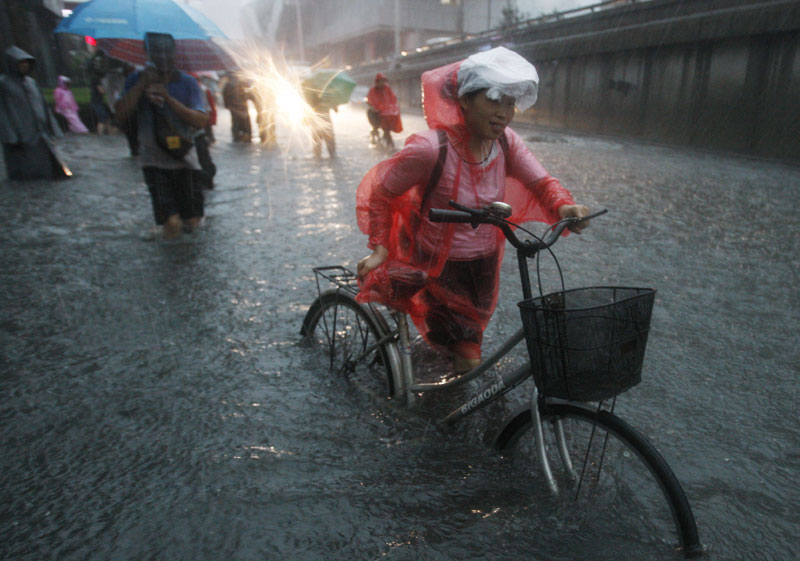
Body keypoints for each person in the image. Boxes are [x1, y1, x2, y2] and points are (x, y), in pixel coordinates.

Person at [355, 47, 590, 374]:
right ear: (464, 99)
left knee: (466, 341)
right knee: (468, 357)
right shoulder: (429, 149)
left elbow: (541, 182)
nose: (503, 113)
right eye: (494, 100)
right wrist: (380, 247)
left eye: (510, 103)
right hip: (436, 267)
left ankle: (447, 387)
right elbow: (381, 192)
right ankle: (445, 414)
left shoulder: (506, 143)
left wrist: (565, 206)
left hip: (483, 267)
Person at [114, 32, 208, 239]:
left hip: (185, 160)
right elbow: (120, 114)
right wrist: (141, 86)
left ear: (175, 53)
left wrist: (167, 97)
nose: (163, 56)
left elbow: (201, 120)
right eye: (157, 51)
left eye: (167, 51)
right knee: (171, 223)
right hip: (154, 162)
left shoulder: (187, 82)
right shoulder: (135, 80)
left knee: (192, 222)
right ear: (147, 53)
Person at [0, 46, 71, 180]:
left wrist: (52, 128)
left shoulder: (31, 83)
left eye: (26, 63)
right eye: (21, 63)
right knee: (23, 167)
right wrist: (9, 133)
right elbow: (2, 111)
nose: (25, 66)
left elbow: (43, 106)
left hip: (39, 130)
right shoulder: (4, 84)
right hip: (20, 132)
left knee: (44, 163)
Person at [366, 72, 402, 149]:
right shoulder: (373, 90)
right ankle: (374, 133)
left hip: (386, 113)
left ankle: (387, 139)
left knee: (387, 128)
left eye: (383, 81)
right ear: (377, 82)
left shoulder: (387, 88)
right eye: (380, 81)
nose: (382, 83)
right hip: (375, 113)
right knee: (375, 125)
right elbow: (370, 100)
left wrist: (394, 106)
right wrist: (374, 107)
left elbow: (392, 99)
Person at [222, 73, 253, 143]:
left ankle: (238, 138)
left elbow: (225, 100)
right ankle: (247, 137)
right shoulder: (242, 83)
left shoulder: (227, 86)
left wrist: (229, 107)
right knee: (246, 126)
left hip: (235, 108)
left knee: (236, 125)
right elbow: (250, 95)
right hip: (242, 108)